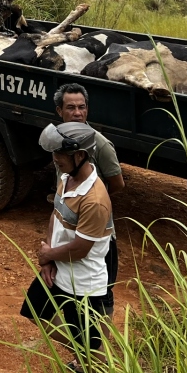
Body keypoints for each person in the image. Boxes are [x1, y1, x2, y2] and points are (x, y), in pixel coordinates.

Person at [21, 121, 113, 373]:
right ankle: (84, 356)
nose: (55, 159)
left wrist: (49, 254)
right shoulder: (65, 178)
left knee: (92, 351)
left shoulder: (95, 199)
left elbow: (83, 247)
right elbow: (55, 215)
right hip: (58, 269)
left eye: (59, 154)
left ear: (80, 155)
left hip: (83, 285)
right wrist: (48, 256)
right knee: (34, 312)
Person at [54, 83, 124, 316]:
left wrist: (91, 205)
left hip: (99, 234)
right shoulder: (58, 143)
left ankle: (99, 349)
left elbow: (117, 183)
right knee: (72, 292)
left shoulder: (99, 144)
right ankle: (81, 346)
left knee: (101, 295)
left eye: (81, 107)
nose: (77, 113)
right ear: (59, 111)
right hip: (69, 231)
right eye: (71, 107)